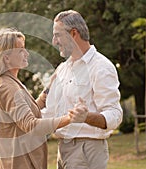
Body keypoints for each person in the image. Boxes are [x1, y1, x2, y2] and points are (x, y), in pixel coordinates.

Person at [0, 27, 88, 169]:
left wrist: (47, 90)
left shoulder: (10, 82)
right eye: (20, 50)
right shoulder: (7, 87)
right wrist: (69, 118)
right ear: (6, 57)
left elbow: (27, 113)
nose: (26, 53)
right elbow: (31, 125)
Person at [43, 10, 123, 169]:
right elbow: (50, 111)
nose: (54, 41)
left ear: (73, 33)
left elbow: (115, 114)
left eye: (57, 35)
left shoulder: (101, 67)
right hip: (62, 149)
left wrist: (86, 117)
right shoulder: (63, 69)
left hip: (86, 150)